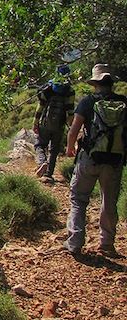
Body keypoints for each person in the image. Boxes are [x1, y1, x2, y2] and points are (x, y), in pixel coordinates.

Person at [64, 64, 126, 257]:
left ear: (95, 83)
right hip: (114, 160)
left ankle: (75, 242)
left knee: (78, 199)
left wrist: (70, 147)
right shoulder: (124, 102)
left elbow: (74, 130)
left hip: (89, 158)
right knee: (109, 201)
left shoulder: (87, 102)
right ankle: (106, 243)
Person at [33, 65, 75, 183]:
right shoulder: (70, 91)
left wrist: (35, 123)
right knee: (54, 149)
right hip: (59, 125)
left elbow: (40, 106)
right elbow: (70, 111)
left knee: (39, 145)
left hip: (45, 123)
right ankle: (48, 174)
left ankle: (42, 162)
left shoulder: (48, 88)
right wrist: (71, 127)